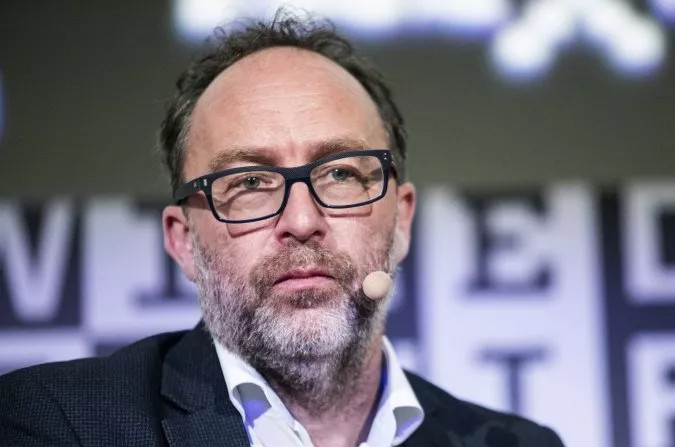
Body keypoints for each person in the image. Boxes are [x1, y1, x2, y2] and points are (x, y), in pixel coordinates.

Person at [0, 10, 564, 447]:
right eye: (249, 182)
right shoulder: (56, 424)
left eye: (340, 173)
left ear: (402, 219)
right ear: (182, 241)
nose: (301, 221)